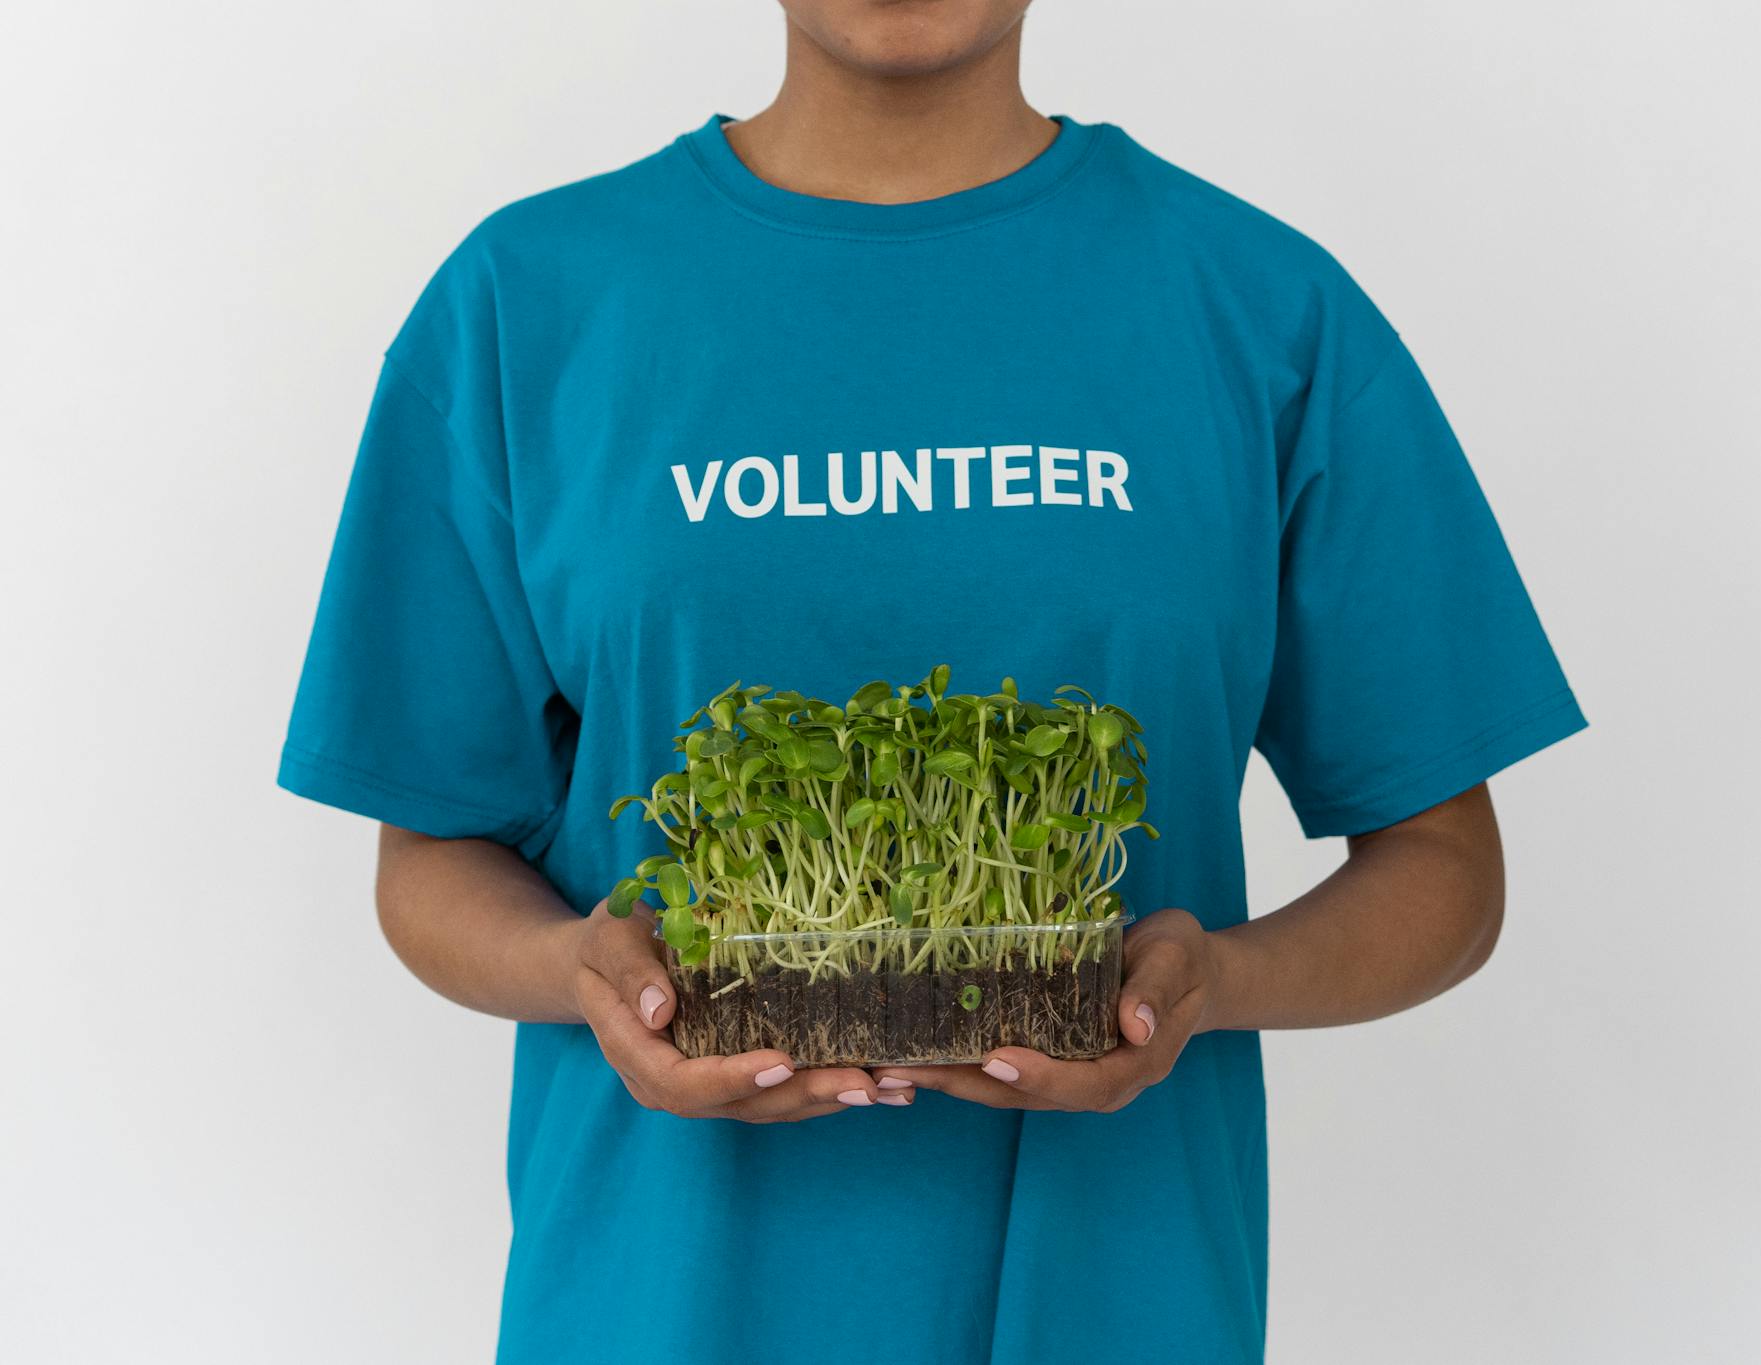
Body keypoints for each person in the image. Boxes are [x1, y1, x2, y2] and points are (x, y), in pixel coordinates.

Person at [279, 2, 1585, 1360]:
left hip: (1120, 1310)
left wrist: (1210, 981)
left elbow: (1444, 864)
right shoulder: (525, 302)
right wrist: (581, 968)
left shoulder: (1260, 306)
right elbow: (427, 852)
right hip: (649, 1312)